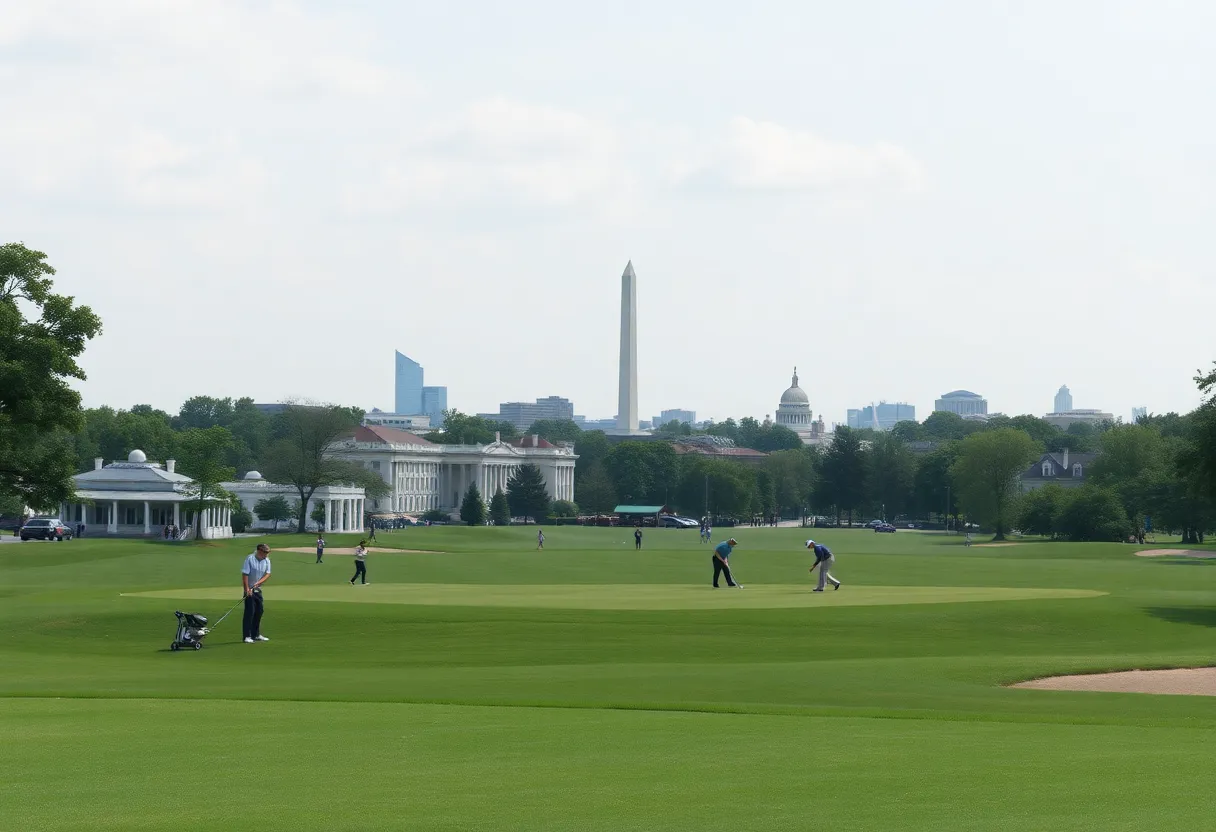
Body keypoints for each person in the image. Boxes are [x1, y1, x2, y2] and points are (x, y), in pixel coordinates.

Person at [241, 543, 272, 643]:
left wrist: (259, 583)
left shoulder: (267, 561)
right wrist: (246, 590)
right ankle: (247, 636)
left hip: (257, 590)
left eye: (268, 552)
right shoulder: (250, 559)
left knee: (259, 611)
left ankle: (256, 634)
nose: (267, 554)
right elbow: (245, 574)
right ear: (259, 551)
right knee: (250, 612)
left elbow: (268, 574)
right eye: (265, 552)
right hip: (249, 590)